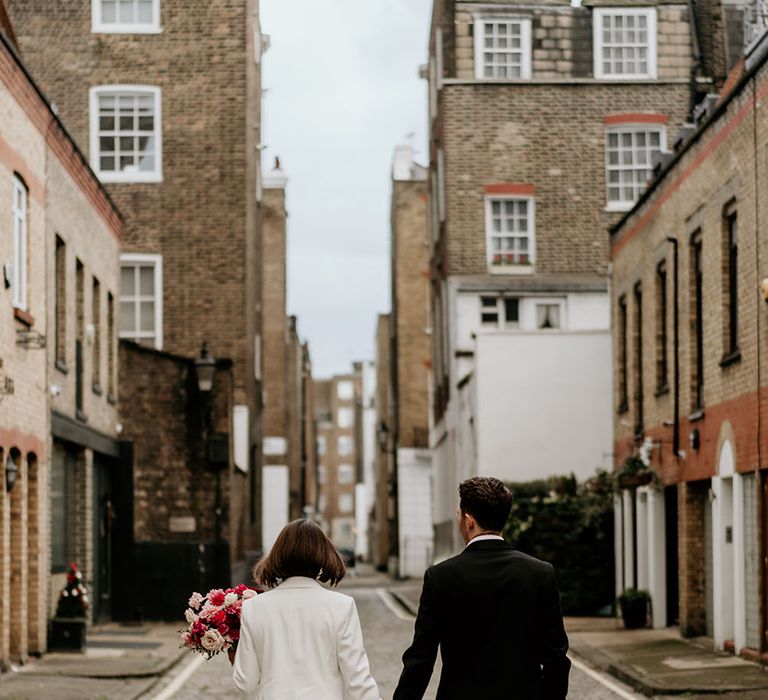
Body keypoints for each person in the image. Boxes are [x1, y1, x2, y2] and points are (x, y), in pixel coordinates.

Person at [393, 477, 571, 700]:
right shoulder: (540, 573)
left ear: (468, 521)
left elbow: (420, 660)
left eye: (459, 514)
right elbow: (556, 658)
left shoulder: (441, 577)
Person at [232, 519, 381, 700]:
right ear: (322, 554)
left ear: (279, 554)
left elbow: (246, 683)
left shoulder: (253, 607)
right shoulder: (342, 606)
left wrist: (233, 651)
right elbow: (358, 680)